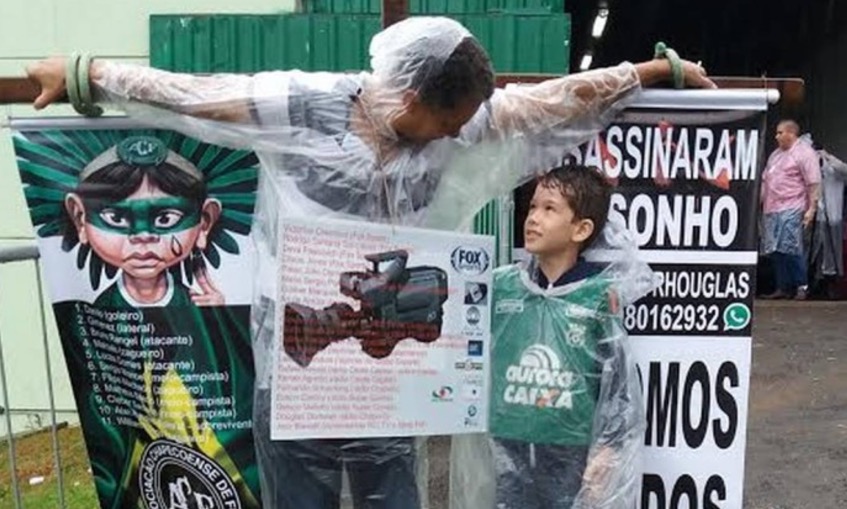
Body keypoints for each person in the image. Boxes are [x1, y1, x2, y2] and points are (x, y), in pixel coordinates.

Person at [26, 16, 714, 509]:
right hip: (300, 361)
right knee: (302, 494)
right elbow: (188, 95)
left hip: (385, 358)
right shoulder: (300, 106)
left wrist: (654, 71)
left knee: (392, 491)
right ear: (410, 98)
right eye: (447, 123)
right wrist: (86, 73)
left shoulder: (457, 117)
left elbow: (548, 101)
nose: (458, 135)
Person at [478, 165, 646, 509]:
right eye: (532, 207)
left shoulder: (598, 296)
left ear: (581, 228)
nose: (533, 218)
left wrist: (607, 450)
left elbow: (618, 386)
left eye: (549, 208)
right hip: (508, 442)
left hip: (569, 450)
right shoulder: (504, 286)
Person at [760, 120, 822, 300]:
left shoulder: (804, 153)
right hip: (772, 207)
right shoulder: (776, 154)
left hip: (792, 206)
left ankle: (801, 285)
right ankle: (782, 286)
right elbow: (766, 180)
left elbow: (813, 183)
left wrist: (812, 208)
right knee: (775, 249)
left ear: (791, 133)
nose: (777, 136)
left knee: (791, 247)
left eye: (780, 132)